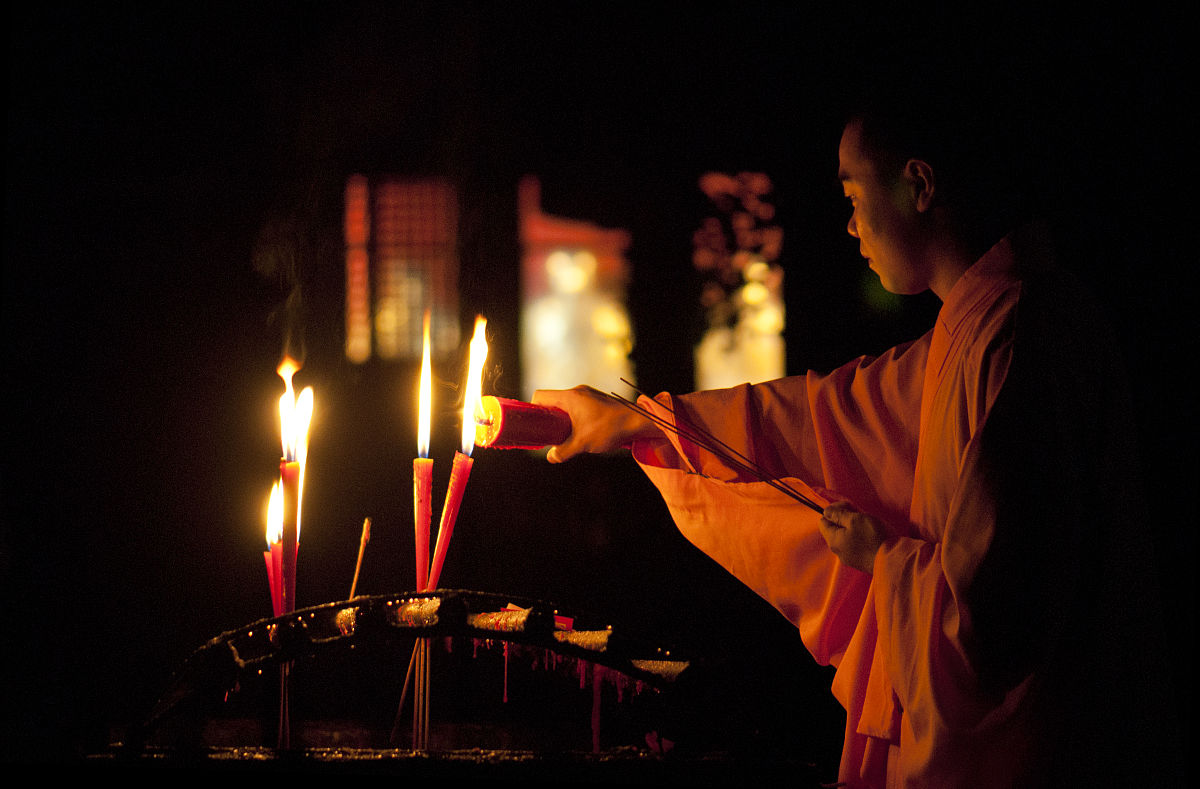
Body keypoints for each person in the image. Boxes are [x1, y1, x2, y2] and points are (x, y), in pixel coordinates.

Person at [532, 82, 1177, 786]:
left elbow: (992, 622)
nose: (851, 226)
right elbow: (821, 414)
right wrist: (639, 421)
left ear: (920, 184)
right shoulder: (976, 329)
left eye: (853, 198)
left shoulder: (1019, 338)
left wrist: (884, 558)